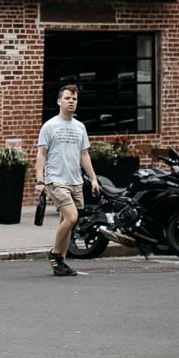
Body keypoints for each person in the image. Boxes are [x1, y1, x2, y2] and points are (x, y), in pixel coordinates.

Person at [37, 82, 100, 277]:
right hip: (56, 180)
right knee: (72, 217)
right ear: (59, 101)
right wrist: (40, 181)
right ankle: (55, 254)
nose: (71, 102)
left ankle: (60, 264)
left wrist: (94, 179)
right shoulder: (50, 126)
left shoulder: (80, 127)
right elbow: (41, 154)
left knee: (68, 221)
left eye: (74, 99)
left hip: (76, 181)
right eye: (67, 98)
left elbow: (85, 155)